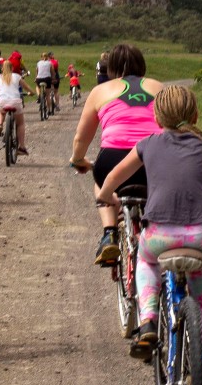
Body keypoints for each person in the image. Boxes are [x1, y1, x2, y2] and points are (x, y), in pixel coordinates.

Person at [96, 85, 202, 385]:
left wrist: (106, 197)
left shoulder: (147, 144)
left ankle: (147, 322)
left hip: (158, 235)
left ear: (156, 118)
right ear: (196, 115)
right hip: (201, 237)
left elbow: (113, 179)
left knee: (145, 262)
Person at [68, 42, 164, 265]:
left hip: (113, 160)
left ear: (110, 68)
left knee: (101, 182)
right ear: (142, 65)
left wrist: (78, 160)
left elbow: (81, 138)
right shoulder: (159, 87)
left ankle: (109, 234)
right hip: (154, 157)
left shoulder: (100, 91)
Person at [0, 58, 35, 155]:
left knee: (0, 112)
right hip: (15, 102)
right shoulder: (17, 76)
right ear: (12, 68)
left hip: (2, 102)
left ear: (2, 68)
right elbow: (26, 87)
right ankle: (22, 147)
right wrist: (31, 92)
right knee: (20, 123)